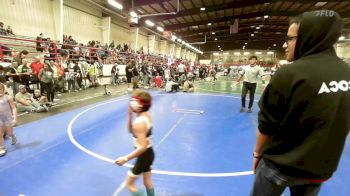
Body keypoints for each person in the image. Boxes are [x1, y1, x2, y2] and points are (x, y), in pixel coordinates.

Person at [251, 10, 350, 196]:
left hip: (280, 166)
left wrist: (257, 154)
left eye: (289, 38)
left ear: (307, 37)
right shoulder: (347, 72)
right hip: (319, 170)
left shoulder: (289, 73)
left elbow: (266, 125)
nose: (284, 44)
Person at [115, 90, 155, 196]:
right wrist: (130, 116)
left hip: (143, 155)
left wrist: (125, 158)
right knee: (147, 182)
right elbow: (131, 131)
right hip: (149, 154)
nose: (131, 102)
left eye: (134, 101)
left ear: (140, 105)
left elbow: (142, 147)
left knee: (129, 185)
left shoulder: (139, 122)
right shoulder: (145, 115)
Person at [0, 83, 17, 156]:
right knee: (0, 134)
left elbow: (14, 108)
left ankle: (12, 136)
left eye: (0, 89)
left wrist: (15, 118)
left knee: (9, 133)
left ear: (3, 89)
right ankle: (2, 148)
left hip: (8, 117)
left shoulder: (8, 97)